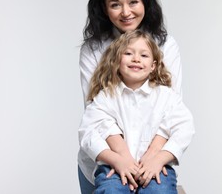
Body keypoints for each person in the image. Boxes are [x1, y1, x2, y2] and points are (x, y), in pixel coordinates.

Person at [78, 0, 184, 193]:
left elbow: (171, 113)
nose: (126, 12)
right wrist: (123, 160)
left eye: (133, 2)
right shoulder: (94, 49)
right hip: (106, 161)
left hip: (153, 163)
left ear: (145, 1)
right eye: (115, 4)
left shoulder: (166, 45)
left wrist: (150, 161)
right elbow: (96, 115)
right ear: (104, 9)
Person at [79, 30, 195, 193]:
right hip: (113, 168)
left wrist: (161, 158)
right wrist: (116, 159)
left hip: (156, 167)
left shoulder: (166, 96)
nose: (136, 59)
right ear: (116, 61)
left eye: (144, 55)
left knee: (159, 192)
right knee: (111, 191)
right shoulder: (105, 96)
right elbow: (87, 132)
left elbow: (185, 128)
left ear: (153, 66)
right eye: (128, 53)